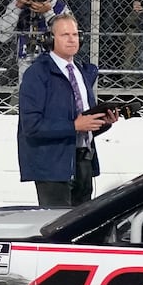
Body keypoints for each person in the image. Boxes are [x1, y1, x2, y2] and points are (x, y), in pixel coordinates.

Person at [17, 12, 119, 208]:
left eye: (75, 34)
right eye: (65, 35)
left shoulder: (82, 71)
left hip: (83, 162)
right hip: (53, 166)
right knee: (58, 229)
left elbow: (83, 122)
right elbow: (31, 126)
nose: (72, 39)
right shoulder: (37, 74)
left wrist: (102, 123)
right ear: (50, 39)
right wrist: (74, 125)